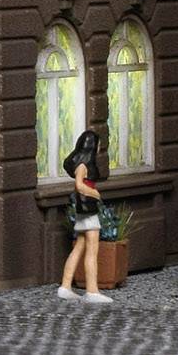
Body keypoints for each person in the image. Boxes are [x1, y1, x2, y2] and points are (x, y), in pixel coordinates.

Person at [56, 125, 109, 305]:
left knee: (79, 246)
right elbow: (79, 186)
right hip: (88, 211)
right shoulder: (83, 166)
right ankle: (92, 290)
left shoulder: (84, 164)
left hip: (83, 210)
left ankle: (65, 286)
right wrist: (96, 194)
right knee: (92, 250)